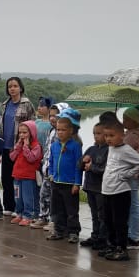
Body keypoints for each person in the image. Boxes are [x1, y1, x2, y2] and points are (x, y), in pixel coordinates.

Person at [98, 113, 139, 261]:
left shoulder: (125, 149)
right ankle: (112, 245)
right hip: (107, 190)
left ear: (122, 136)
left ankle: (122, 248)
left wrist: (128, 174)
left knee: (119, 221)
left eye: (111, 136)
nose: (108, 139)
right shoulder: (111, 148)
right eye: (106, 136)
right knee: (108, 220)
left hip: (120, 191)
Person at [0, 77, 36, 215]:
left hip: (18, 147)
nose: (12, 88)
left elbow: (33, 125)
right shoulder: (4, 105)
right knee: (6, 178)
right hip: (5, 147)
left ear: (20, 88)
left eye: (15, 86)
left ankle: (20, 209)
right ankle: (8, 207)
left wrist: (27, 143)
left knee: (18, 179)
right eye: (9, 86)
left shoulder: (27, 104)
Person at [48, 107, 83, 243]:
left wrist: (77, 183)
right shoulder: (54, 146)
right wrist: (51, 174)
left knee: (71, 210)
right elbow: (51, 161)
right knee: (57, 209)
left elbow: (78, 166)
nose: (60, 132)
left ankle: (73, 231)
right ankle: (59, 230)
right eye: (58, 130)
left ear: (71, 131)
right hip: (56, 182)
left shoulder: (75, 146)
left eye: (63, 130)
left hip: (69, 183)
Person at [122, 105, 139, 248]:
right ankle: (132, 235)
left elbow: (120, 150)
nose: (123, 120)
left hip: (131, 175)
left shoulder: (132, 136)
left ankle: (133, 237)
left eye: (126, 118)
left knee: (132, 205)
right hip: (135, 175)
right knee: (132, 205)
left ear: (134, 121)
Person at [32, 102, 61, 229]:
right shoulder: (51, 130)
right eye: (51, 115)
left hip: (56, 172)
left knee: (55, 198)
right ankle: (43, 217)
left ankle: (54, 221)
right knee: (43, 194)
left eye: (56, 115)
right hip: (46, 169)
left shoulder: (63, 134)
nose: (53, 118)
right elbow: (47, 150)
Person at [80, 121, 109, 249]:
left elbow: (105, 169)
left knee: (102, 215)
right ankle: (95, 235)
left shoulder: (108, 150)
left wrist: (92, 167)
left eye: (99, 133)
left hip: (101, 188)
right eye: (94, 133)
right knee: (93, 214)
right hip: (90, 186)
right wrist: (83, 161)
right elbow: (79, 166)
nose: (95, 136)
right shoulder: (91, 149)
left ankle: (103, 238)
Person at [9, 120, 42, 225]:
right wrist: (18, 146)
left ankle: (28, 215)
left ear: (31, 132)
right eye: (20, 133)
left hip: (29, 177)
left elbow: (31, 158)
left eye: (25, 132)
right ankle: (19, 213)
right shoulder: (20, 144)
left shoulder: (36, 146)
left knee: (28, 197)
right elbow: (12, 157)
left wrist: (26, 147)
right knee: (18, 197)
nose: (22, 135)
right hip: (17, 175)